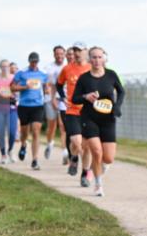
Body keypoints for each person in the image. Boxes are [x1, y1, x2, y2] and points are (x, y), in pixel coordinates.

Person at [72, 47, 125, 197]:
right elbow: (74, 99)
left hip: (108, 119)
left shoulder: (111, 75)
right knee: (96, 151)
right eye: (94, 57)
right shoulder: (84, 78)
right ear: (89, 59)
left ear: (104, 59)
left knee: (108, 158)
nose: (97, 60)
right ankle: (98, 183)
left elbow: (121, 91)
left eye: (99, 57)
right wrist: (86, 96)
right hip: (89, 118)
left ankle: (98, 169)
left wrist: (117, 106)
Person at [57, 43, 93, 183]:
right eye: (75, 50)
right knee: (76, 142)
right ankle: (74, 157)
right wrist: (63, 97)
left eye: (80, 50)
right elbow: (59, 84)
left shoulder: (91, 68)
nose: (77, 53)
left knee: (87, 146)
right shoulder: (67, 69)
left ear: (86, 52)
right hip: (72, 109)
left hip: (89, 112)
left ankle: (85, 173)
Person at [11, 52, 48, 170]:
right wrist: (24, 87)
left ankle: (35, 160)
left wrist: (47, 90)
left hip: (38, 105)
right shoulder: (21, 73)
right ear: (29, 61)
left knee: (36, 131)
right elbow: (12, 87)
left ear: (38, 61)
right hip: (24, 105)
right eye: (32, 61)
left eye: (36, 61)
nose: (34, 63)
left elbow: (46, 88)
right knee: (24, 132)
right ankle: (23, 145)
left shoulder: (43, 74)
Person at [43, 45, 67, 161]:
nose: (59, 56)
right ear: (54, 55)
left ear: (65, 54)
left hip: (63, 99)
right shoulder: (48, 68)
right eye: (57, 54)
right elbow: (45, 83)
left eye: (61, 54)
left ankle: (65, 153)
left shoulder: (68, 67)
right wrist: (47, 92)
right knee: (52, 126)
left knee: (63, 126)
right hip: (50, 99)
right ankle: (49, 143)